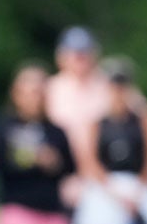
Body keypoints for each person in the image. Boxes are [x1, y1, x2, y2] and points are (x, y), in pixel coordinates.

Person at [73, 57, 147, 224]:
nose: (118, 91)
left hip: (139, 184)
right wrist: (115, 192)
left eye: (122, 85)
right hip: (107, 186)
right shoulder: (96, 122)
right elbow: (90, 162)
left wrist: (138, 191)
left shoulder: (145, 118)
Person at [0, 63, 77, 224]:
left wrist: (55, 163)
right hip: (18, 208)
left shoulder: (57, 132)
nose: (35, 99)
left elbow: (71, 168)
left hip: (51, 211)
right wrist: (32, 158)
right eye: (30, 92)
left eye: (39, 93)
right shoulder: (5, 127)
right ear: (16, 94)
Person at [45, 27, 110, 181]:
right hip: (63, 173)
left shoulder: (111, 86)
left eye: (84, 53)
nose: (80, 59)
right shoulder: (50, 89)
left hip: (106, 171)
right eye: (75, 54)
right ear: (61, 57)